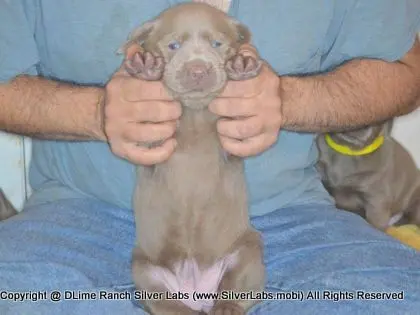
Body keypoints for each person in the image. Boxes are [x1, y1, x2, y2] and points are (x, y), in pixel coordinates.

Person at [1, 0, 420, 314]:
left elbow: (405, 71)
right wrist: (93, 112)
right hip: (77, 218)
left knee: (395, 296)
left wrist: (292, 99)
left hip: (276, 223)